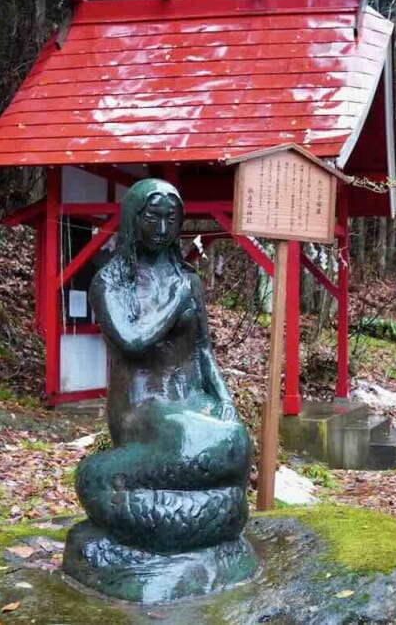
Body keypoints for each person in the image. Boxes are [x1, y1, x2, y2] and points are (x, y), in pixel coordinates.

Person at [73, 179, 251, 553]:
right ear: (133, 218)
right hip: (142, 408)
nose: (162, 228)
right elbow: (131, 340)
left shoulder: (186, 280)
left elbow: (203, 351)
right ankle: (109, 481)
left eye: (171, 219)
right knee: (195, 440)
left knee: (236, 438)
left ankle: (199, 513)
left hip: (192, 400)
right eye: (152, 217)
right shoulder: (110, 281)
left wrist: (224, 398)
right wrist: (174, 301)